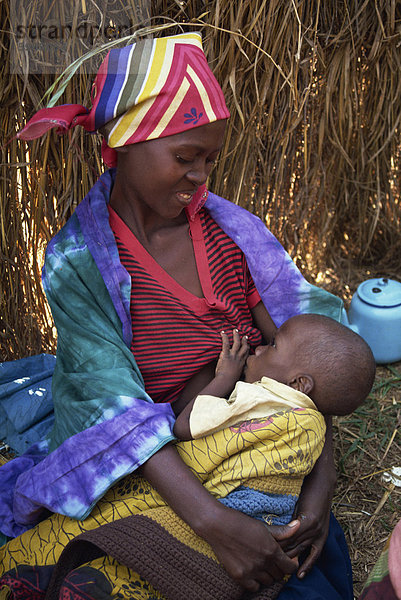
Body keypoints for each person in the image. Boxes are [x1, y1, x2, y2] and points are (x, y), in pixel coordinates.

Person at [0, 32, 354, 599]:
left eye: (210, 159)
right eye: (185, 157)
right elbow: (109, 404)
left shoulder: (233, 238)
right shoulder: (78, 264)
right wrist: (214, 524)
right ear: (122, 145)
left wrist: (321, 481)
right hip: (159, 470)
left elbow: (309, 358)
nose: (200, 177)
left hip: (249, 455)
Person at [173, 313, 376, 442]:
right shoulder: (310, 428)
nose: (259, 349)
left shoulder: (257, 400)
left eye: (273, 344)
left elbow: (183, 427)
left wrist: (225, 377)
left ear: (298, 384)